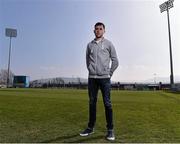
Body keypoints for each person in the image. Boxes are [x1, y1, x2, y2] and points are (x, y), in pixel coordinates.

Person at [80, 22, 119, 141]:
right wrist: (91, 71)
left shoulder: (108, 44)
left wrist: (109, 73)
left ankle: (110, 130)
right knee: (92, 103)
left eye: (100, 29)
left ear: (104, 31)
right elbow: (87, 61)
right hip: (92, 79)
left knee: (107, 103)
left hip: (105, 79)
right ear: (94, 31)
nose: (98, 31)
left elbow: (115, 61)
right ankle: (90, 128)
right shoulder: (89, 45)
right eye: (96, 29)